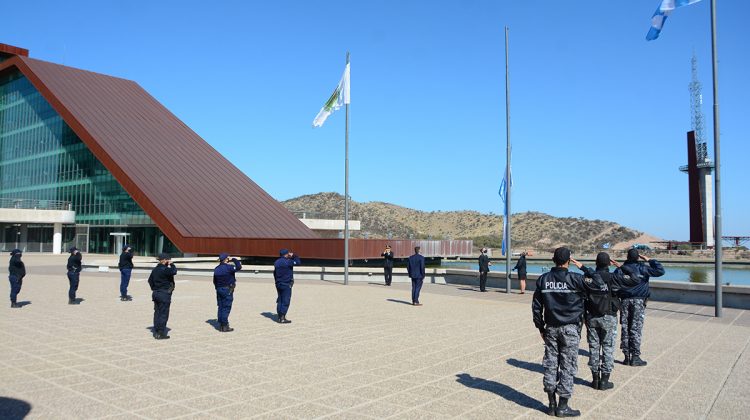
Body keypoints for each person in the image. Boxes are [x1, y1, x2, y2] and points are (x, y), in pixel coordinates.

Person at [532, 247, 605, 417]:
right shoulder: (576, 278)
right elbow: (600, 285)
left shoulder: (544, 280)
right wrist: (583, 267)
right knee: (568, 365)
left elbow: (536, 307)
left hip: (551, 327)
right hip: (571, 328)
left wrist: (540, 327)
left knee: (550, 364)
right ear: (568, 260)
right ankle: (562, 406)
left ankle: (551, 404)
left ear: (553, 260)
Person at [580, 252, 641, 391]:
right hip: (609, 316)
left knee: (594, 348)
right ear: (609, 263)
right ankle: (604, 380)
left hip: (592, 316)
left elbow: (582, 297)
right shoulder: (614, 277)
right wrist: (620, 266)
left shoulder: (588, 278)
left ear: (596, 263)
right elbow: (635, 279)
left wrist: (584, 317)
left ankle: (595, 379)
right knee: (608, 347)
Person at [615, 248, 665, 367]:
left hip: (625, 301)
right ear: (638, 257)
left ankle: (627, 356)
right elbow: (660, 271)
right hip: (638, 301)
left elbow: (615, 285)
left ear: (627, 257)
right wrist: (650, 260)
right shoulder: (643, 268)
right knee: (635, 329)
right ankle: (635, 357)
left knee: (626, 328)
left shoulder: (620, 270)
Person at [148, 253, 177, 339]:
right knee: (163, 313)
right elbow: (174, 271)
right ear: (164, 260)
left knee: (157, 312)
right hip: (164, 294)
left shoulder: (155, 270)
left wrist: (155, 289)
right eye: (168, 259)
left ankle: (156, 330)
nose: (169, 260)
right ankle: (160, 333)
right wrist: (172, 264)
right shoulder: (165, 269)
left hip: (156, 293)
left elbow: (150, 281)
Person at [213, 253, 241, 332]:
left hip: (219, 289)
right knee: (226, 307)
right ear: (226, 259)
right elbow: (239, 267)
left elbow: (214, 281)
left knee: (220, 306)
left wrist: (217, 288)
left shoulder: (216, 268)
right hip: (227, 290)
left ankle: (221, 324)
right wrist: (235, 259)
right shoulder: (229, 267)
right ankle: (225, 326)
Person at [273, 249, 300, 324]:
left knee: (280, 299)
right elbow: (298, 262)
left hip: (278, 283)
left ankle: (279, 316)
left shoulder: (277, 262)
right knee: (285, 300)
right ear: (286, 254)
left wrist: (276, 281)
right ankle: (282, 318)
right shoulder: (288, 262)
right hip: (286, 283)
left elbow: (274, 273)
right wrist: (294, 255)